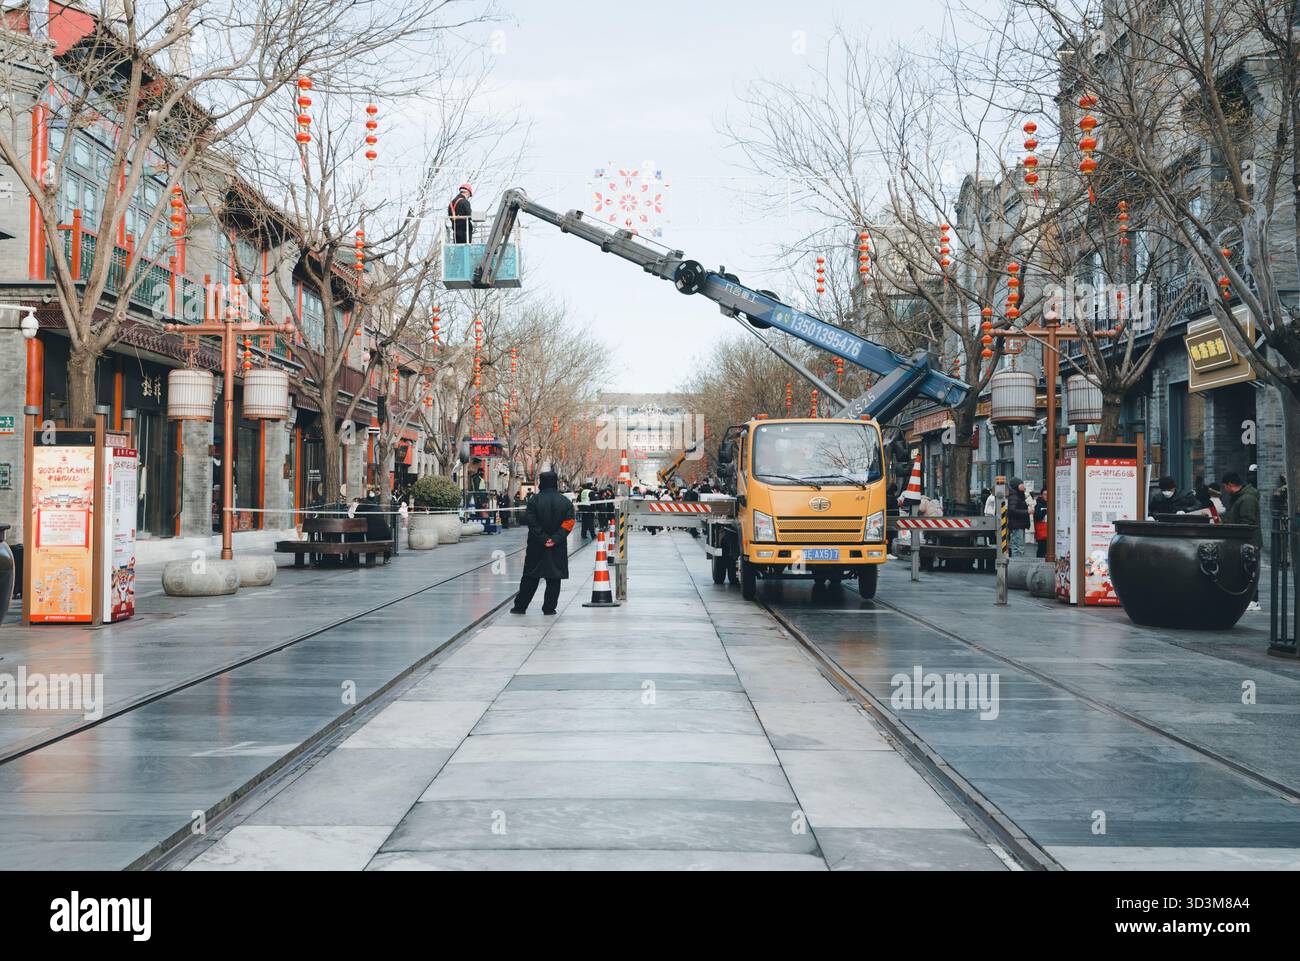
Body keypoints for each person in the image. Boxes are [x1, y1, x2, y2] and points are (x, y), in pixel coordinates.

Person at [510, 470, 575, 616]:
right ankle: (549, 608)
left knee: (530, 577)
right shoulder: (565, 502)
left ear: (542, 483)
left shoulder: (534, 500)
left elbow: (531, 522)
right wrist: (555, 538)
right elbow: (569, 523)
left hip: (536, 546)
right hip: (557, 547)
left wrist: (543, 538)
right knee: (554, 578)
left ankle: (520, 607)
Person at [1222, 470, 1262, 612]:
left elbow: (1247, 522)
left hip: (1248, 541)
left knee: (1248, 571)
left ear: (1231, 484)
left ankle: (1253, 600)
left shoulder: (1247, 499)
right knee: (1243, 570)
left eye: (1225, 486)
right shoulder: (1239, 497)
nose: (1224, 490)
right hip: (1240, 541)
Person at [1007, 478, 1030, 556]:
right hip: (1017, 525)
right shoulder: (1014, 496)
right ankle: (1018, 563)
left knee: (1019, 546)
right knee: (1018, 546)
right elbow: (1012, 510)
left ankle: (1019, 561)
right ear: (1016, 486)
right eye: (1021, 484)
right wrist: (1027, 512)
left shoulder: (1019, 496)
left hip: (1019, 524)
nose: (1023, 485)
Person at [1033, 489, 1049, 558]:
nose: (1046, 496)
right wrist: (1045, 511)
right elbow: (1037, 517)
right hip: (1041, 531)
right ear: (1041, 495)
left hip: (1048, 531)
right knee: (1041, 549)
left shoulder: (1051, 503)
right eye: (1045, 494)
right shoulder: (1038, 505)